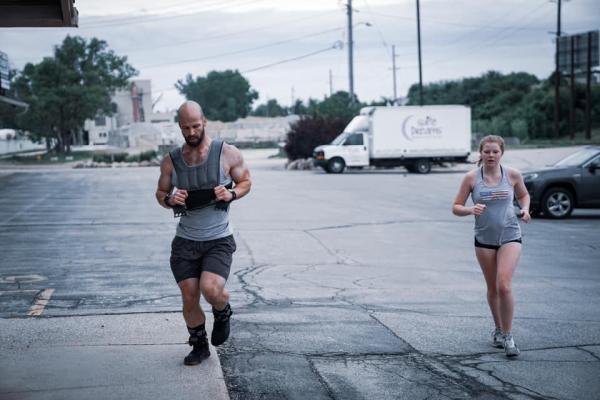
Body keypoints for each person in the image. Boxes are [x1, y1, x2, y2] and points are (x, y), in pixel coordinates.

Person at [155, 100, 251, 365]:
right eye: (186, 128)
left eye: (196, 126)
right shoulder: (171, 161)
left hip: (218, 239)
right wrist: (170, 199)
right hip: (185, 242)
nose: (192, 132)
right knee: (189, 296)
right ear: (180, 127)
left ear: (205, 121)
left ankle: (222, 313)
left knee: (211, 289)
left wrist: (230, 193)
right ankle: (199, 345)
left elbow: (245, 182)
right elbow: (160, 193)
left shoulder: (227, 153)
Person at [452, 135, 530, 357]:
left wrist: (525, 209)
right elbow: (456, 206)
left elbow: (523, 195)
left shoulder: (512, 175)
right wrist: (470, 209)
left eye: (495, 151)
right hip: (484, 239)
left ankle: (508, 335)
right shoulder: (471, 178)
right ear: (481, 153)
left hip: (510, 235)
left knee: (504, 285)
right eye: (487, 151)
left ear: (501, 153)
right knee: (493, 288)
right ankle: (497, 329)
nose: (491, 155)